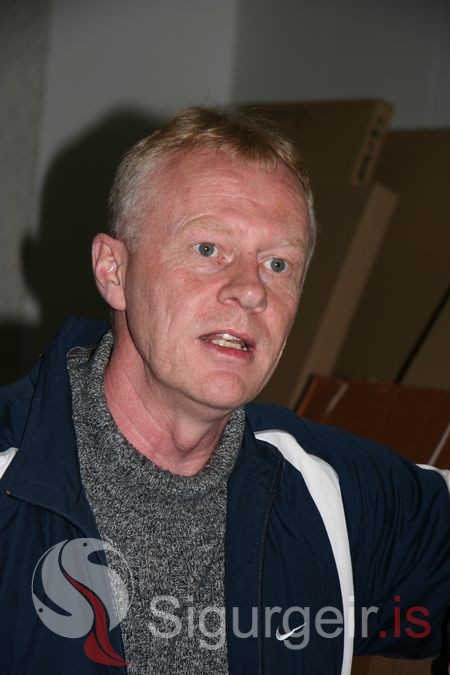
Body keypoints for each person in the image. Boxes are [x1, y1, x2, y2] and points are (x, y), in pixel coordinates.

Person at [0, 107, 448, 675]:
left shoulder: (326, 492)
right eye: (209, 249)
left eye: (278, 263)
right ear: (113, 271)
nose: (251, 291)